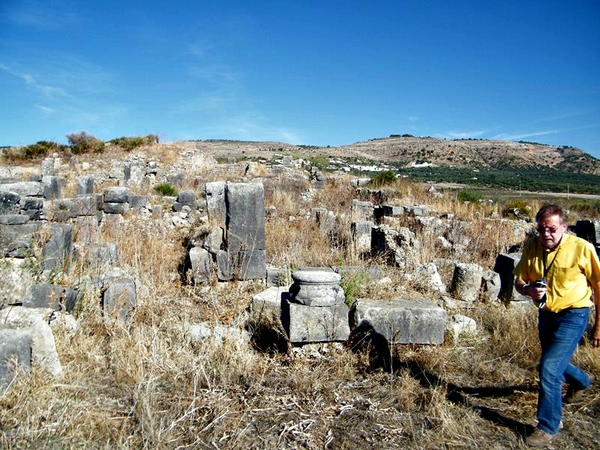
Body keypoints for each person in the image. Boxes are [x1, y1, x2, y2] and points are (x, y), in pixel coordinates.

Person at [513, 203, 600, 447]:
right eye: (541, 229)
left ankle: (548, 425)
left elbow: (598, 284)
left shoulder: (581, 248)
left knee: (549, 369)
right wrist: (528, 290)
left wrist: (599, 326)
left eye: (551, 229)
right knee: (552, 363)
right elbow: (519, 280)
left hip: (574, 313)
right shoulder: (532, 246)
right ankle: (582, 380)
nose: (545, 234)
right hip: (547, 313)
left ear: (564, 227)